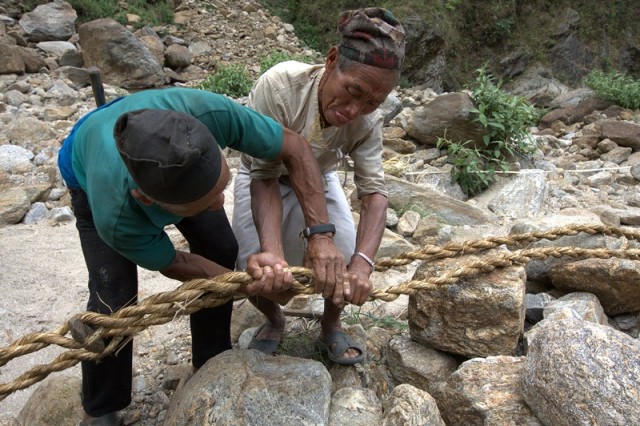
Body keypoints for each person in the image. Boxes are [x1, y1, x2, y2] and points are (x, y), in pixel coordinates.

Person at [57, 87, 347, 426]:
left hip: (149, 127)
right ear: (149, 201)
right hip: (85, 164)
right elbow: (176, 262)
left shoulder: (211, 114)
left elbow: (295, 147)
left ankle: (210, 356)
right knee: (114, 299)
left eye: (221, 187)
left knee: (222, 246)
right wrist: (253, 288)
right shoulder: (116, 215)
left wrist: (320, 234)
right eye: (204, 203)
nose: (219, 204)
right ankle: (101, 407)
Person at [232, 8, 405, 365]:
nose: (355, 110)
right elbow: (264, 175)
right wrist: (274, 257)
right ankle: (274, 320)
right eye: (352, 91)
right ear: (331, 60)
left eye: (372, 102)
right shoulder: (279, 88)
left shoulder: (368, 120)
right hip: (262, 177)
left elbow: (374, 193)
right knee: (252, 266)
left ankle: (331, 324)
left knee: (338, 257)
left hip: (321, 177)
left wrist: (362, 265)